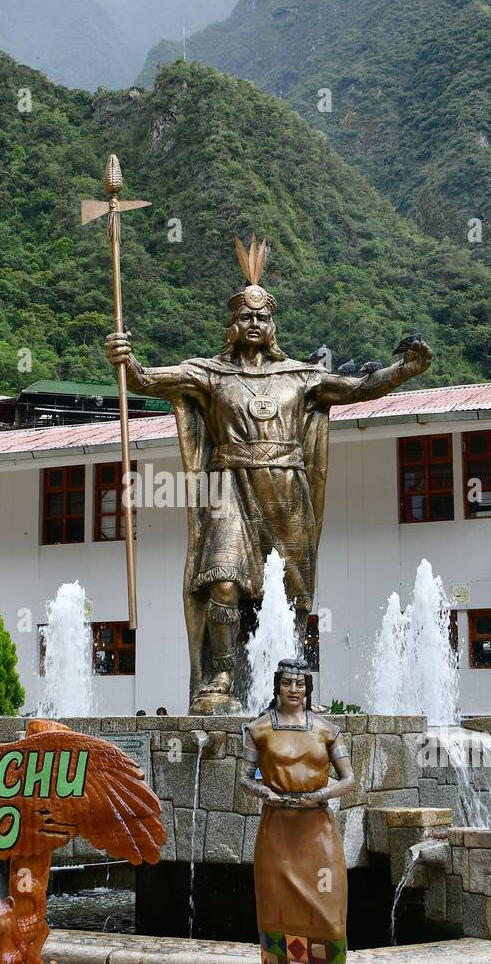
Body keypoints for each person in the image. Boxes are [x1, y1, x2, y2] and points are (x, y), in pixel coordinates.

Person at [105, 236, 431, 711]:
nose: (253, 323)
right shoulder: (208, 374)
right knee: (222, 581)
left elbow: (360, 388)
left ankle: (291, 685)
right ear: (231, 324)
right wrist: (124, 356)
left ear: (272, 324)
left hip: (286, 492)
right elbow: (145, 380)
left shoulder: (301, 376)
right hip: (230, 487)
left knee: (292, 594)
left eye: (261, 316)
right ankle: (220, 678)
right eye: (244, 316)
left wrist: (404, 371)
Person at [239, 658, 357, 964]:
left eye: (301, 683)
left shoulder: (327, 730)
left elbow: (349, 779)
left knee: (327, 919)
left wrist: (320, 795)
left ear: (308, 688)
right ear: (277, 686)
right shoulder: (258, 730)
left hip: (317, 832)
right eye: (288, 682)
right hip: (277, 833)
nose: (294, 689)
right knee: (276, 918)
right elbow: (243, 778)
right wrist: (264, 792)